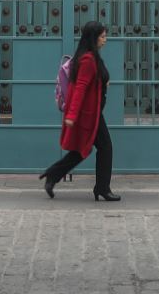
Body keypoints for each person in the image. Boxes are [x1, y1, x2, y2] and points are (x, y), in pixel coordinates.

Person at [39, 21, 119, 201]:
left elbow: (91, 83)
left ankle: (53, 174)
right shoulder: (88, 60)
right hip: (89, 114)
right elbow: (80, 88)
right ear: (94, 38)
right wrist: (72, 115)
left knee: (83, 149)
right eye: (103, 37)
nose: (105, 40)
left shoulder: (91, 56)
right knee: (105, 147)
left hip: (93, 112)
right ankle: (102, 188)